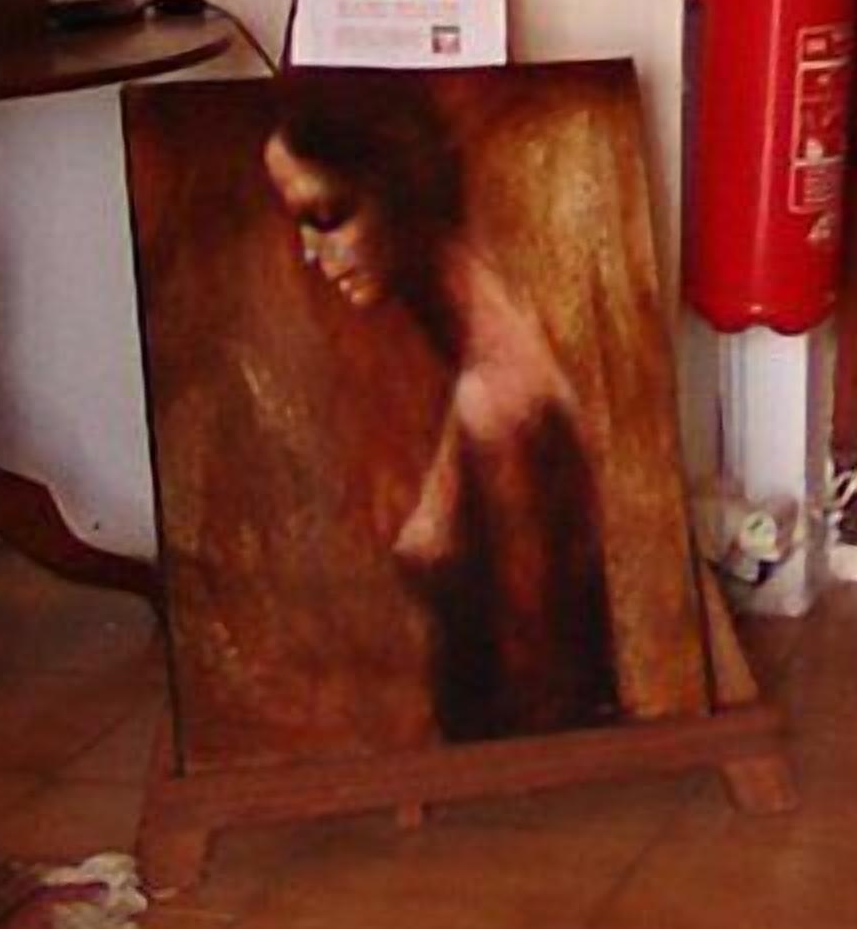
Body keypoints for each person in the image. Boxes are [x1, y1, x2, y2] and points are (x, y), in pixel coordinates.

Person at [258, 100, 621, 741]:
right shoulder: (470, 307)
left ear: (396, 188)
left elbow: (534, 655)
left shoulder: (497, 395)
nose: (312, 255)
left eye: (327, 215)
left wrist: (440, 529)